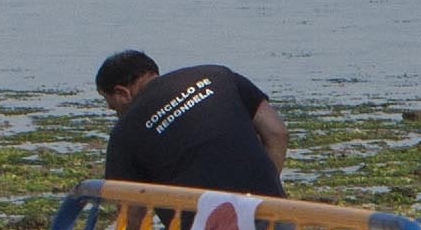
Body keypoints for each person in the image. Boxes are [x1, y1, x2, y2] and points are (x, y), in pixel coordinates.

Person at [95, 50, 291, 196]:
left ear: (122, 93)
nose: (117, 115)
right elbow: (277, 133)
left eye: (114, 108)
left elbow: (131, 217)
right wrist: (267, 192)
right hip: (273, 218)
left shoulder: (124, 133)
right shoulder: (218, 75)